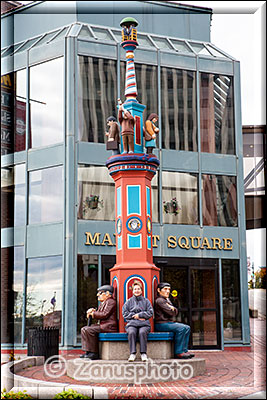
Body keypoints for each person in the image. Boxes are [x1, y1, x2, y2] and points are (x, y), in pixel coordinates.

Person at [154, 282, 195, 359]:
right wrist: (171, 308)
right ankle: (178, 352)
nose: (167, 291)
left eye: (169, 289)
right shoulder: (160, 300)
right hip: (161, 324)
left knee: (187, 327)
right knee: (182, 328)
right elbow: (171, 312)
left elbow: (175, 311)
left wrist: (172, 309)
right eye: (165, 289)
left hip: (168, 323)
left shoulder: (166, 299)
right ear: (159, 290)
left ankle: (184, 350)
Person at [80, 285, 117, 360]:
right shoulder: (103, 303)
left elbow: (105, 314)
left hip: (108, 325)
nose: (98, 295)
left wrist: (93, 314)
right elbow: (100, 313)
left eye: (100, 293)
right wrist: (93, 312)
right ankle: (88, 351)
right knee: (84, 329)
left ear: (107, 293)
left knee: (88, 330)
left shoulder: (111, 302)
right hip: (103, 324)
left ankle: (94, 353)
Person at [122, 281, 153, 362]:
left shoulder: (146, 301)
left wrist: (140, 315)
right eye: (135, 289)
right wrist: (135, 317)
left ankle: (143, 353)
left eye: (138, 289)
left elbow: (150, 312)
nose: (137, 290)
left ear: (141, 291)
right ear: (132, 291)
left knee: (142, 332)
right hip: (132, 324)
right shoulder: (128, 302)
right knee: (131, 332)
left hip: (144, 325)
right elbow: (124, 313)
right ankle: (132, 353)